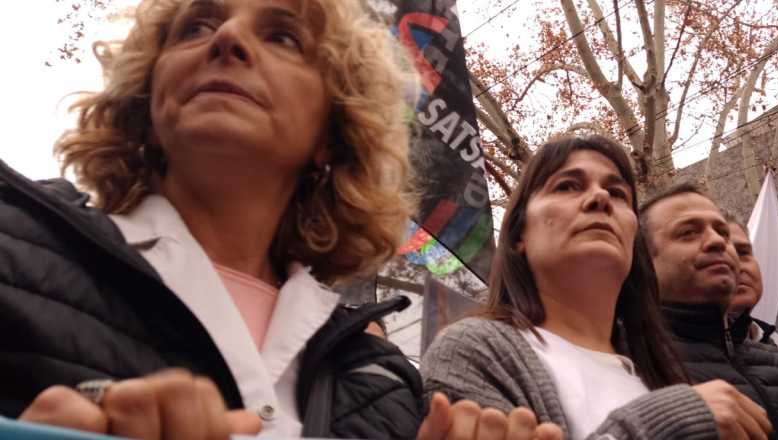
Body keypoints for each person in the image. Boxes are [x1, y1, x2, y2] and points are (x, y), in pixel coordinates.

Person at [2, 0, 551, 438]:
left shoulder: (382, 378)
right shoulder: (15, 239)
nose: (227, 39)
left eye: (283, 37)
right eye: (195, 26)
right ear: (147, 98)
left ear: (332, 133)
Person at [421, 135, 773, 440]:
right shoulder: (475, 351)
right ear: (517, 237)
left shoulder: (664, 366)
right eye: (567, 185)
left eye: (618, 193)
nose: (599, 198)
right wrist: (666, 421)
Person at [638, 182, 778, 440]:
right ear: (642, 263)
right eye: (688, 232)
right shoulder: (625, 369)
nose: (717, 242)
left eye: (722, 232)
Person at [721, 212, 775, 345]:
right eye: (721, 257)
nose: (737, 267)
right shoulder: (666, 360)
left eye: (743, 252)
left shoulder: (771, 347)